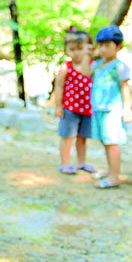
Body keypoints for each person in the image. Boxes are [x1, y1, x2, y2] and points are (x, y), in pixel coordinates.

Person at [89, 25, 132, 189]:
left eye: (107, 45)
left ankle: (115, 176)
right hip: (98, 109)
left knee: (112, 143)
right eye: (100, 45)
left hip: (112, 110)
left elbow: (125, 87)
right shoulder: (97, 64)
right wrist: (88, 55)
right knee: (104, 141)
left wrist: (127, 108)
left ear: (118, 47)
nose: (103, 49)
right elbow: (87, 73)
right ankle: (110, 171)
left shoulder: (119, 67)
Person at [49, 28, 95, 175]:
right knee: (67, 137)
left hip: (87, 108)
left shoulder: (92, 66)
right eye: (72, 49)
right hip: (70, 108)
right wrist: (58, 106)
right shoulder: (66, 67)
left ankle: (81, 163)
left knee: (82, 138)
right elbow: (59, 86)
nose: (76, 53)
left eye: (80, 49)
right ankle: (65, 163)